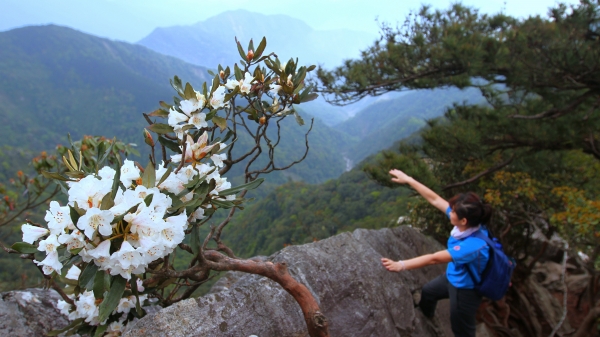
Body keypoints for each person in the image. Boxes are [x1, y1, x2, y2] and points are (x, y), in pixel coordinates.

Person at [381, 169, 492, 337]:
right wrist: (409, 179)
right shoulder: (466, 225)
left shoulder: (474, 245)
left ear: (463, 220)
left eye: (453, 211)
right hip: (454, 276)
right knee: (428, 293)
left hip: (466, 290)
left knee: (461, 329)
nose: (450, 211)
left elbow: (434, 259)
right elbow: (434, 199)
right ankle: (429, 325)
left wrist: (400, 265)